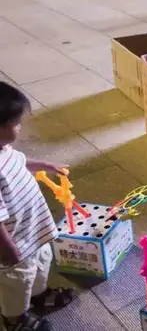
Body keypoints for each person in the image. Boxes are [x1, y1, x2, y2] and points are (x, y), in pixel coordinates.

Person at [0, 82, 75, 331]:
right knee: (17, 280)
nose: (21, 127)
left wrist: (43, 164)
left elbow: (20, 161)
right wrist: (8, 250)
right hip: (14, 243)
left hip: (33, 229)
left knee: (42, 261)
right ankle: (15, 318)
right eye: (17, 123)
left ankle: (39, 295)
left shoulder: (4, 148)